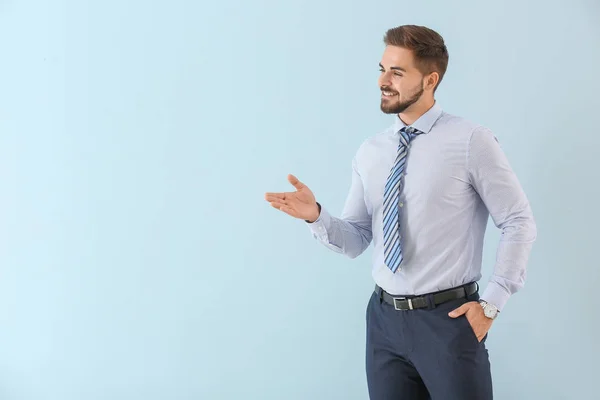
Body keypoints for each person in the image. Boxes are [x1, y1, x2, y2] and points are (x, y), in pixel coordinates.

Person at [264, 24, 537, 400]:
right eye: (381, 69)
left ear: (430, 79)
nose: (383, 81)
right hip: (383, 322)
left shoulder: (471, 141)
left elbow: (518, 221)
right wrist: (317, 216)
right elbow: (357, 239)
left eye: (397, 72)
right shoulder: (371, 151)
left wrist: (492, 303)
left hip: (448, 321)